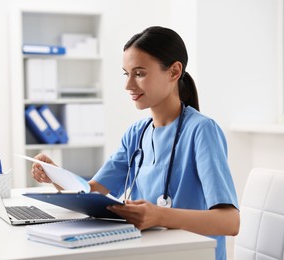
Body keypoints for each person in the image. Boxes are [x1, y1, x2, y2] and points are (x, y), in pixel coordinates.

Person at [31, 26, 239, 260]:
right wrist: (55, 175)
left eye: (139, 73)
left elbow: (229, 221)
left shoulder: (201, 131)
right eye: (126, 74)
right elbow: (93, 193)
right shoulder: (136, 133)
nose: (128, 85)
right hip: (147, 251)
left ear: (174, 72)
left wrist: (158, 216)